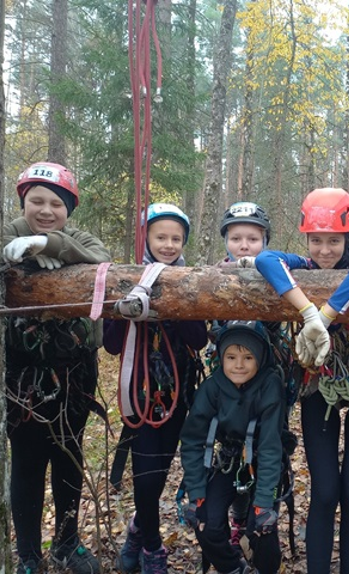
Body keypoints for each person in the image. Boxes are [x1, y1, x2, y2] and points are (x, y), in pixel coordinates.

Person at [246, 187, 349, 574]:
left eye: (334, 241)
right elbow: (266, 259)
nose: (324, 250)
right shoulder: (300, 264)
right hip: (316, 385)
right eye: (317, 240)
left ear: (348, 238)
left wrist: (322, 318)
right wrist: (307, 313)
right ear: (307, 239)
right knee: (325, 491)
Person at [1, 161, 111, 574]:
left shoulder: (76, 236)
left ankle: (67, 542)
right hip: (25, 374)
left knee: (69, 456)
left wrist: (49, 244)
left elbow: (101, 257)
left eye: (56, 205)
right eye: (37, 202)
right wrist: (19, 253)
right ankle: (29, 555)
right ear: (23, 202)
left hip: (75, 370)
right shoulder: (7, 230)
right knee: (27, 461)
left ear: (68, 209)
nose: (46, 211)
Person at [103, 203, 209, 573]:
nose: (168, 244)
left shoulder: (190, 279)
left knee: (160, 472)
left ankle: (136, 528)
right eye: (160, 236)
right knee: (146, 477)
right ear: (145, 237)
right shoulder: (127, 278)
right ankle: (151, 546)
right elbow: (112, 345)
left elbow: (199, 339)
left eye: (176, 238)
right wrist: (125, 309)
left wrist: (170, 309)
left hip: (177, 395)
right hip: (140, 393)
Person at [211, 201, 297, 558]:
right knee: (230, 448)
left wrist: (266, 266)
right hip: (229, 388)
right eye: (236, 238)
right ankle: (237, 518)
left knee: (266, 451)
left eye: (252, 238)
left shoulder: (276, 268)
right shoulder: (214, 277)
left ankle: (264, 516)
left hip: (269, 389)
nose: (244, 245)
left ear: (265, 241)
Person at [178, 321, 286, 574]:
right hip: (229, 459)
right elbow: (192, 440)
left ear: (260, 359)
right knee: (206, 523)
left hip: (261, 459)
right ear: (221, 357)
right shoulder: (212, 388)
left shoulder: (270, 386)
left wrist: (263, 504)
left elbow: (271, 445)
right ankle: (234, 568)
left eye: (248, 357)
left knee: (261, 528)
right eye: (231, 357)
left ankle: (266, 568)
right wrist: (196, 492)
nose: (239, 365)